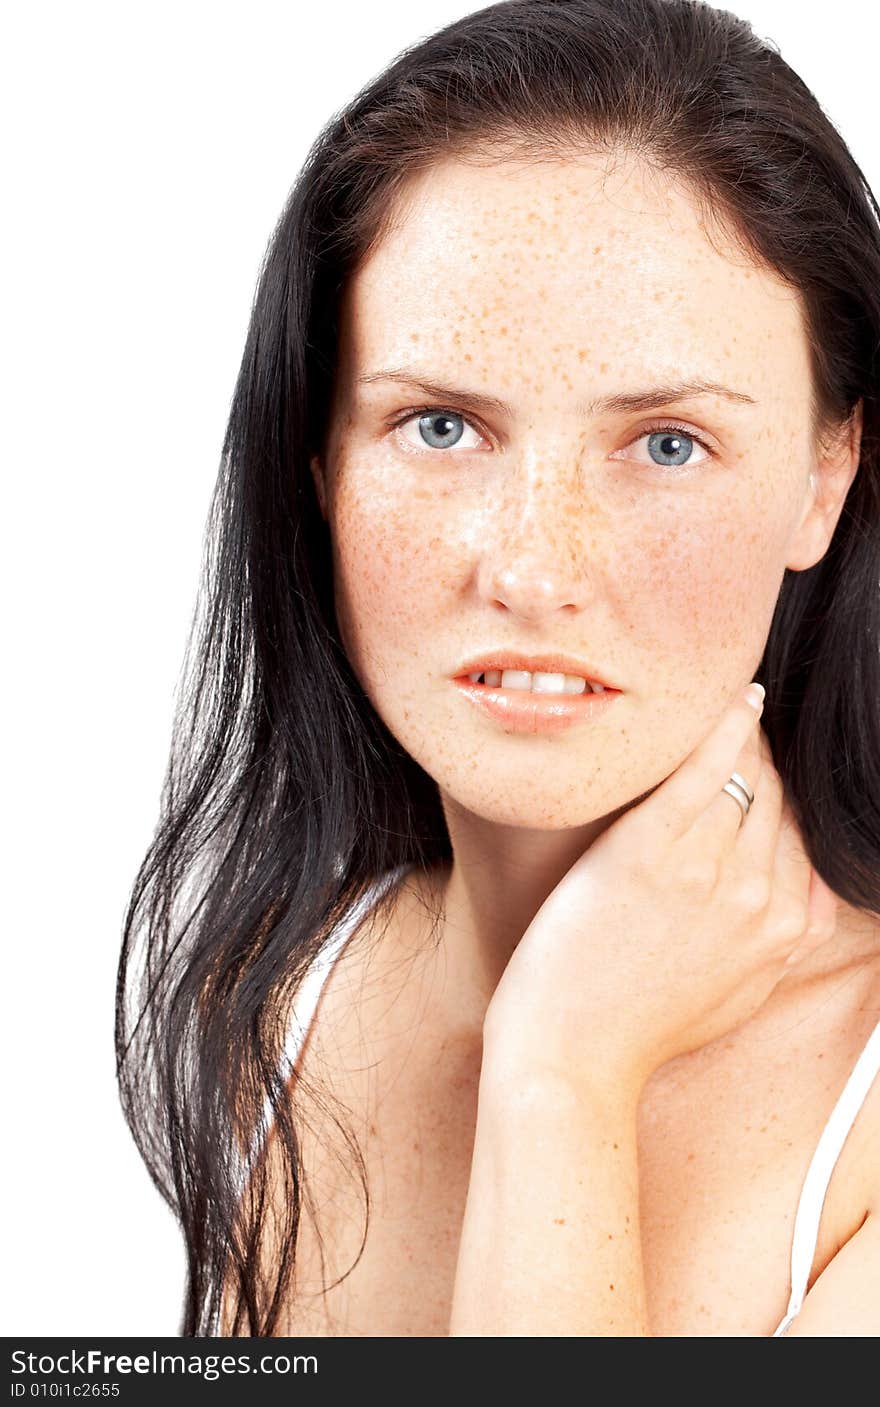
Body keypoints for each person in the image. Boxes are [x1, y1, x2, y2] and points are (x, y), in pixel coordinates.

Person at [116, 0, 880, 1337]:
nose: (531, 568)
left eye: (666, 444)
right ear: (317, 461)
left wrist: (563, 1075)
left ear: (827, 476)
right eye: (442, 424)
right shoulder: (295, 998)